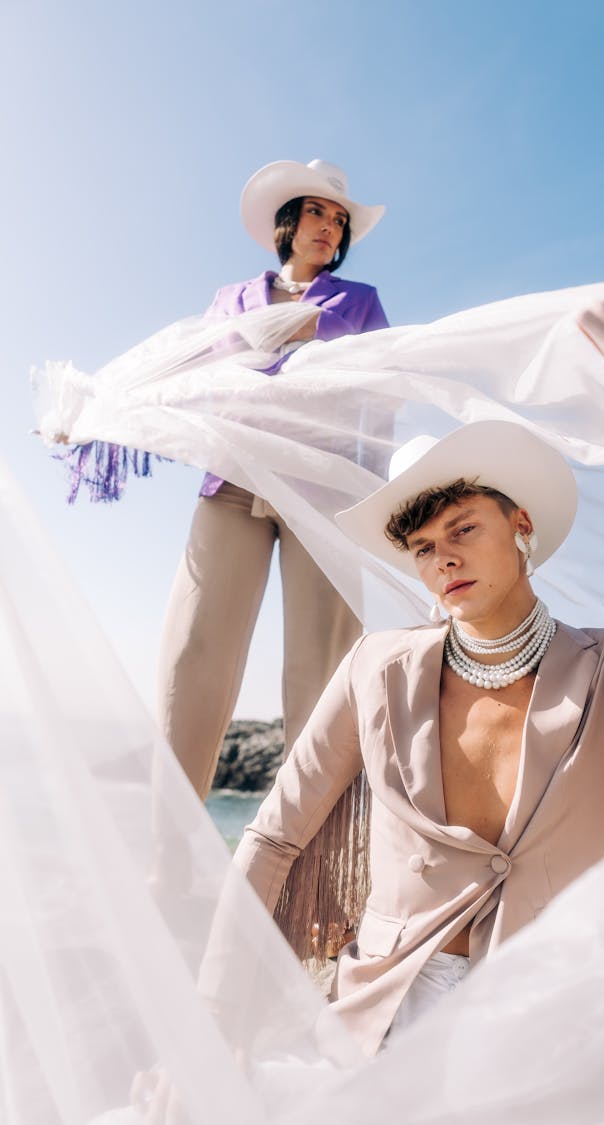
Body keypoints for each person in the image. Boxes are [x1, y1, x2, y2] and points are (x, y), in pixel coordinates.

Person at [230, 364, 604, 1057]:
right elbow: (273, 839)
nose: (445, 560)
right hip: (386, 1021)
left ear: (521, 525)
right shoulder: (376, 669)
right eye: (424, 548)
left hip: (558, 1020)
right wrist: (204, 1018)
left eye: (463, 529)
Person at [157, 158, 388, 801]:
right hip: (231, 481)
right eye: (317, 212)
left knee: (322, 669)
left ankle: (308, 864)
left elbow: (389, 386)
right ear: (286, 223)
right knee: (195, 652)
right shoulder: (231, 300)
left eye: (340, 220)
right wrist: (96, 409)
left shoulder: (359, 301)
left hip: (323, 489)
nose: (330, 228)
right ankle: (171, 848)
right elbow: (186, 364)